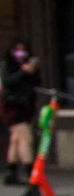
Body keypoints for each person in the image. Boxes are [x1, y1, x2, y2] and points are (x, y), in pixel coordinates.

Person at [4, 40, 37, 184]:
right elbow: (8, 82)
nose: (20, 53)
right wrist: (23, 71)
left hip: (26, 107)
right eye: (17, 50)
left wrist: (31, 70)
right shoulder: (7, 66)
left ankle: (12, 173)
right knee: (26, 138)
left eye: (23, 50)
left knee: (16, 140)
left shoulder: (29, 64)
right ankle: (31, 172)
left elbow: (37, 82)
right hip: (12, 107)